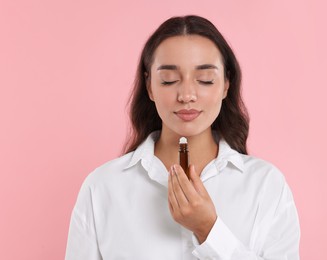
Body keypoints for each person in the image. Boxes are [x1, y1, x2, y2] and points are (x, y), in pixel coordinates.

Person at [65, 15, 300, 260]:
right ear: (149, 86)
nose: (187, 95)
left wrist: (208, 229)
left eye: (205, 79)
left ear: (226, 84)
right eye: (169, 80)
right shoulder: (103, 187)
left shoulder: (265, 186)